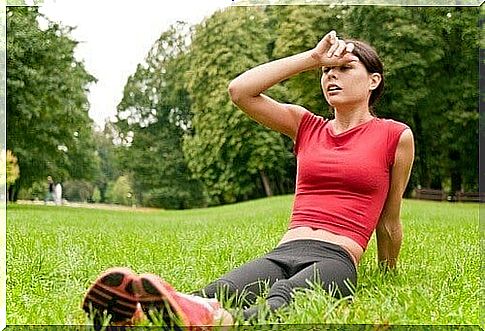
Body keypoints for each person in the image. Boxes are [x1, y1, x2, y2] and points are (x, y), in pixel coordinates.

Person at [82, 30, 414, 328]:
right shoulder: (306, 125)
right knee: (219, 291)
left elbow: (389, 218)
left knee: (283, 301)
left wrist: (387, 274)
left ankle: (219, 323)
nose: (331, 76)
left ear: (373, 80)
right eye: (327, 70)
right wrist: (312, 57)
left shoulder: (394, 136)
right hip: (285, 250)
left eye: (345, 68)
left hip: (336, 258)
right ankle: (136, 316)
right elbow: (241, 91)